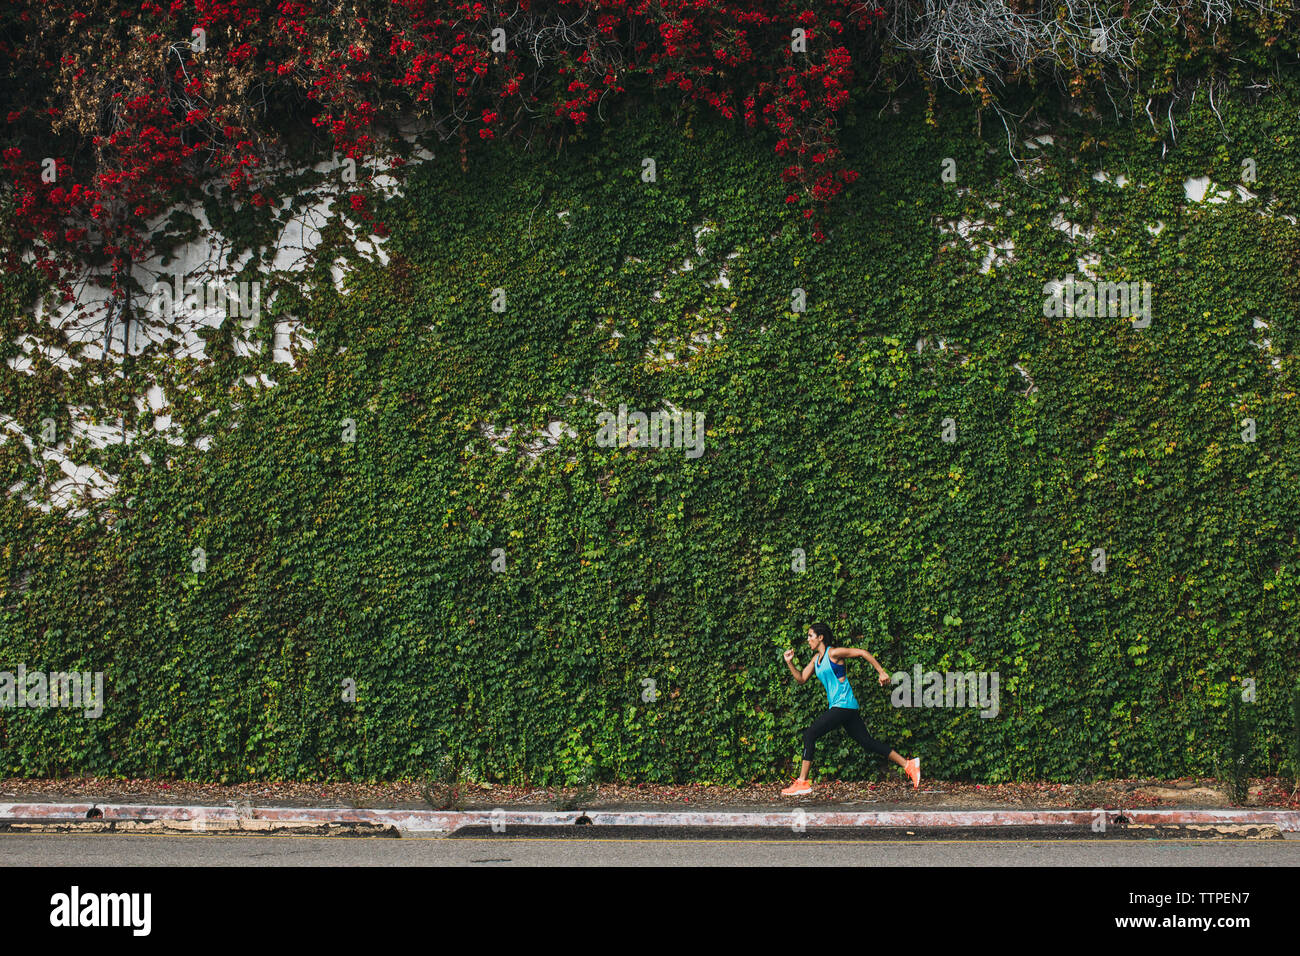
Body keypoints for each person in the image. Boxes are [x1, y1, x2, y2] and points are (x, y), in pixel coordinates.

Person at [780, 622, 919, 795]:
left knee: (810, 734)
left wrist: (881, 672)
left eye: (810, 636)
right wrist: (789, 663)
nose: (808, 639)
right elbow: (801, 679)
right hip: (845, 707)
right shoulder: (816, 660)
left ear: (820, 637)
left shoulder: (834, 653)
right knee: (867, 742)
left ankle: (802, 782)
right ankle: (909, 765)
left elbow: (861, 652)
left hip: (843, 705)